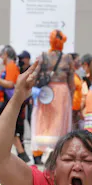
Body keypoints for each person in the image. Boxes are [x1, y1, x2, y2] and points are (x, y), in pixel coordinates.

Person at [31, 30, 74, 163]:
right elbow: (71, 80)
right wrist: (71, 96)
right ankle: (57, 150)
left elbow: (34, 75)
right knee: (60, 121)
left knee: (43, 120)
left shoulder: (43, 56)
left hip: (46, 91)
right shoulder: (67, 58)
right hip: (62, 91)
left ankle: (41, 150)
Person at [0, 45, 28, 163]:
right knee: (8, 132)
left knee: (4, 131)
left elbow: (10, 84)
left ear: (5, 54)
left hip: (6, 103)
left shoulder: (10, 67)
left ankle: (20, 154)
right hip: (5, 102)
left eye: (0, 55)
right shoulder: (8, 67)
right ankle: (21, 154)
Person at [71, 52, 84, 128]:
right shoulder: (68, 75)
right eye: (77, 60)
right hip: (71, 109)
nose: (79, 62)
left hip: (76, 110)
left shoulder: (76, 75)